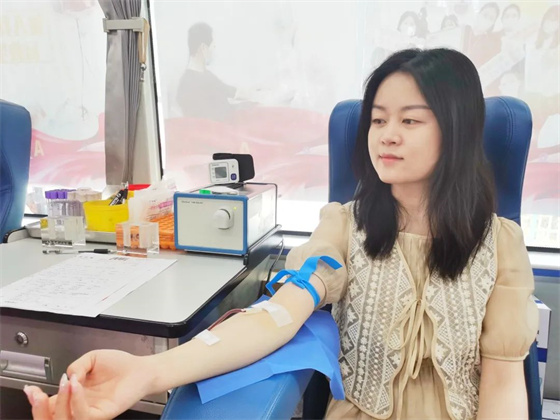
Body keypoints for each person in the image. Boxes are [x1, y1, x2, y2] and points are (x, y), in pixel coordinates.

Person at [24, 48, 538, 420]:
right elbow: (274, 318)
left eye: (411, 120)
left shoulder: (501, 245)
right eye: (379, 120)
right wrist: (148, 372)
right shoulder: (346, 227)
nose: (387, 135)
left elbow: (502, 385)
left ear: (457, 131)